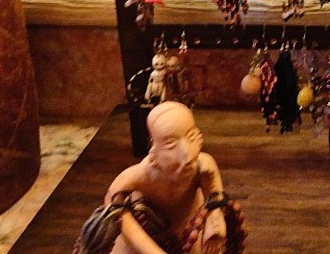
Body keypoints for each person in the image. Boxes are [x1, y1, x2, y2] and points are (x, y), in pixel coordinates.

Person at [74, 102, 246, 254]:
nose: (187, 155)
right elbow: (114, 206)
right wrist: (152, 250)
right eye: (170, 144)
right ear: (154, 151)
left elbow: (214, 197)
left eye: (191, 137)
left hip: (189, 237)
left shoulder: (204, 166)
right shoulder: (139, 176)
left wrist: (215, 224)